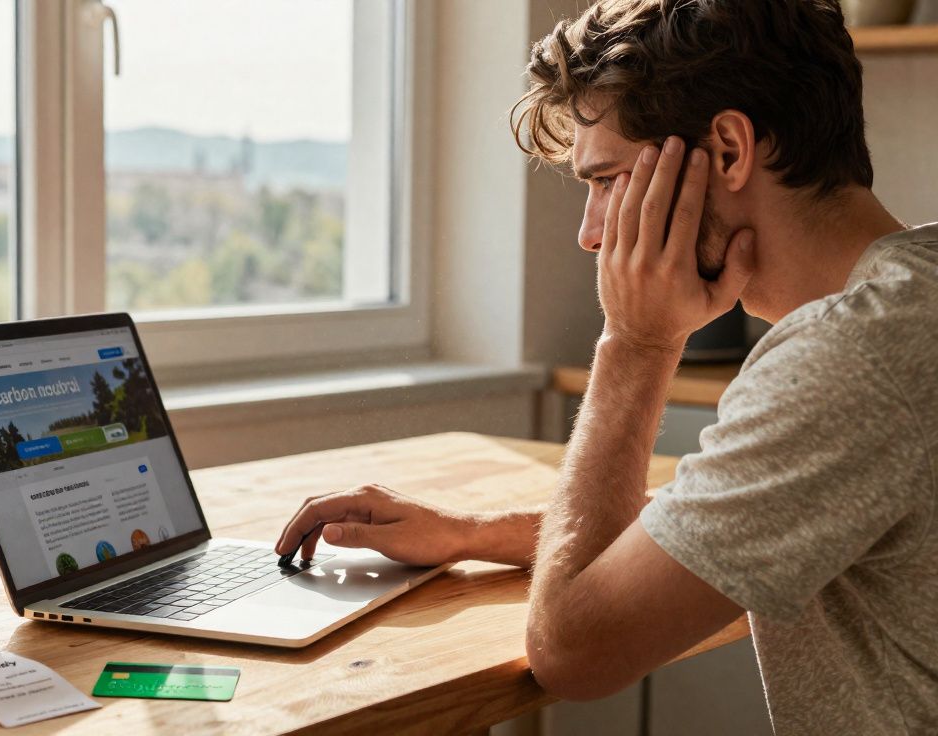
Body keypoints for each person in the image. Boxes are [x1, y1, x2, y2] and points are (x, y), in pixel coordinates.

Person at [273, 1, 938, 733]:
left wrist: (636, 344)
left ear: (726, 150)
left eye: (607, 181)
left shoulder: (849, 361)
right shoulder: (914, 298)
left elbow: (572, 653)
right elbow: (728, 518)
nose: (592, 235)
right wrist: (470, 533)